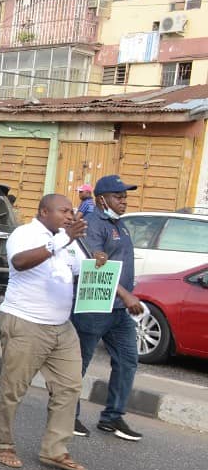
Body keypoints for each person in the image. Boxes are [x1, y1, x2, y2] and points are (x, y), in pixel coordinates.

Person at [0, 194, 88, 470]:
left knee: (69, 387)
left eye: (72, 211)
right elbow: (20, 262)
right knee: (13, 389)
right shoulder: (25, 234)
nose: (70, 216)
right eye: (64, 211)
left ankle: (54, 450)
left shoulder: (69, 240)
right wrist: (61, 240)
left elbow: (82, 270)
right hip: (26, 324)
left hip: (62, 327)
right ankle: (2, 444)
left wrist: (100, 263)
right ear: (44, 211)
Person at [71, 175, 146, 442]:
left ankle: (112, 417)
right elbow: (96, 265)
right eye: (118, 196)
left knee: (127, 360)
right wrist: (127, 296)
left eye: (125, 196)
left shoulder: (120, 225)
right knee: (78, 364)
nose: (124, 201)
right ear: (101, 199)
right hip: (93, 307)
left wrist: (125, 298)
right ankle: (68, 415)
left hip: (116, 311)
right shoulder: (92, 224)